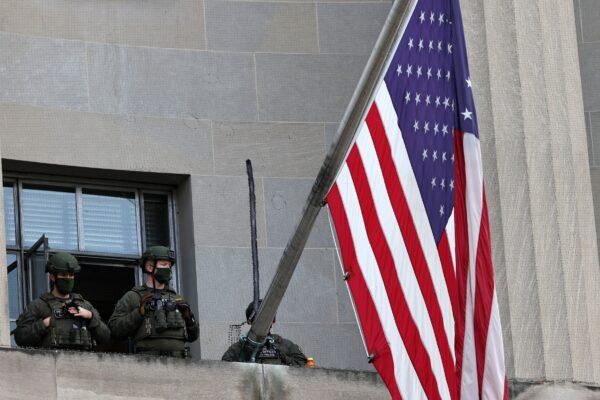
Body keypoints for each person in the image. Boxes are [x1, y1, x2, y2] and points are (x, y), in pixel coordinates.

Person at [108, 246, 199, 358]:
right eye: (164, 265)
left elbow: (193, 336)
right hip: (147, 364)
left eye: (169, 266)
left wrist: (189, 317)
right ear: (150, 267)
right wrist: (139, 312)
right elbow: (114, 330)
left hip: (179, 364)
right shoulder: (134, 296)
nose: (168, 269)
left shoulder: (177, 298)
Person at [14, 252, 111, 350]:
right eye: (64, 275)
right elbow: (20, 338)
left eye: (71, 275)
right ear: (52, 277)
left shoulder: (84, 305)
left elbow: (105, 337)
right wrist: (44, 324)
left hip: (81, 362)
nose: (68, 278)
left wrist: (90, 317)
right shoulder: (39, 306)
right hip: (49, 362)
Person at [222, 300, 307, 366]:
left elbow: (303, 365)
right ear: (250, 321)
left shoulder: (285, 345)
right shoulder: (238, 348)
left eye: (268, 319)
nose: (263, 323)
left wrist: (282, 357)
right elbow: (224, 370)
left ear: (273, 321)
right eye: (258, 319)